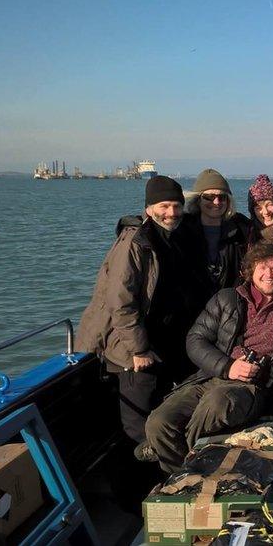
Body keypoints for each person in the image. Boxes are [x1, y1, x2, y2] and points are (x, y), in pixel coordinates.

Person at [142, 243, 273, 473]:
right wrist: (227, 366)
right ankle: (183, 474)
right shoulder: (227, 299)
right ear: (250, 271)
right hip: (211, 377)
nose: (269, 275)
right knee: (159, 423)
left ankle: (181, 464)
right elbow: (195, 340)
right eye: (262, 268)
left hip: (254, 387)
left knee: (218, 402)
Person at [77, 176, 205, 443]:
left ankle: (167, 466)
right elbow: (120, 300)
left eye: (177, 206)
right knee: (138, 423)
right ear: (149, 209)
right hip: (135, 349)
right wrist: (138, 349)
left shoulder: (176, 236)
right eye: (164, 206)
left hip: (166, 341)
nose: (171, 213)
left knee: (166, 410)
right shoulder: (135, 242)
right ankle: (143, 476)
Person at [184, 168, 251, 292]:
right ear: (197, 199)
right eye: (209, 197)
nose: (216, 202)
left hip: (229, 303)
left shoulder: (241, 229)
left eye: (222, 197)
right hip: (192, 304)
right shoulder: (182, 229)